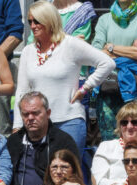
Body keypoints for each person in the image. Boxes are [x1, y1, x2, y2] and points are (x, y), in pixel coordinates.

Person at [13, 2, 115, 155]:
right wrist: (17, 124)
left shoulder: (70, 44)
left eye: (37, 21)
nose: (32, 26)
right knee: (42, 174)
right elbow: (22, 91)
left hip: (69, 121)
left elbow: (107, 63)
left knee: (69, 173)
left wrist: (85, 87)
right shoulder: (28, 51)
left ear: (49, 20)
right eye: (30, 22)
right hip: (38, 124)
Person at [7, 92, 84, 185]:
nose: (30, 118)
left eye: (36, 113)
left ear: (48, 113)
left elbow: (74, 177)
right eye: (26, 114)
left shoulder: (63, 141)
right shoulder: (14, 141)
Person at [92, 6, 137, 140]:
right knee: (111, 143)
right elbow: (96, 53)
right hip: (108, 89)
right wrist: (131, 48)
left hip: (136, 89)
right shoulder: (104, 19)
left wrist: (110, 47)